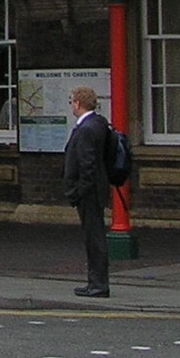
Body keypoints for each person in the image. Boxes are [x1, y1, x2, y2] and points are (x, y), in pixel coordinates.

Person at [62, 86, 112, 298]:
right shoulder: (99, 123)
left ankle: (98, 284)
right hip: (95, 190)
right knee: (94, 238)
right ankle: (96, 282)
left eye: (72, 101)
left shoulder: (87, 129)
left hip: (89, 193)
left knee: (94, 239)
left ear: (78, 103)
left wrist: (78, 192)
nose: (71, 105)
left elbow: (87, 165)